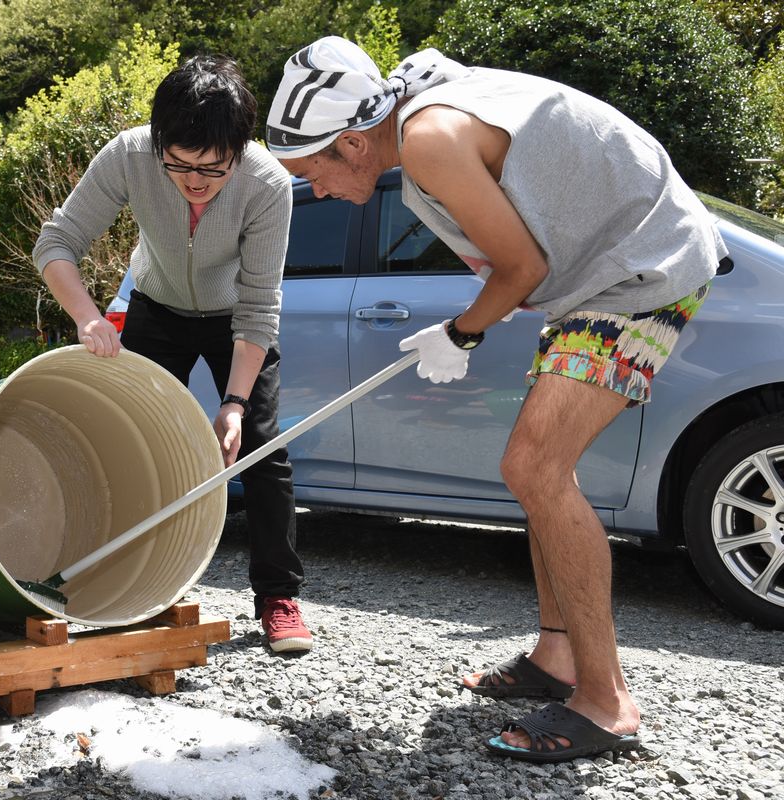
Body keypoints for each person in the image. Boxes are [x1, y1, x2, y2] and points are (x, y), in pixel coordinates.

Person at [267, 38, 725, 759]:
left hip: (642, 269)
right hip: (597, 277)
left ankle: (607, 702)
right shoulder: (417, 123)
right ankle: (557, 656)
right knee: (539, 471)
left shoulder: (425, 138)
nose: (315, 192)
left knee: (535, 468)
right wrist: (466, 326)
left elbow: (522, 265)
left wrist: (460, 332)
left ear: (354, 143)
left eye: (311, 173)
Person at [32, 55, 312, 653]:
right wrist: (87, 317)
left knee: (260, 447)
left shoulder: (266, 183)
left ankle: (279, 597)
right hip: (155, 308)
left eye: (211, 169)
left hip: (234, 316)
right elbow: (56, 242)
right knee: (127, 441)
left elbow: (261, 304)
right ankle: (120, 584)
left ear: (239, 148)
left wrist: (234, 401)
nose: (192, 180)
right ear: (160, 141)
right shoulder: (130, 155)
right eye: (178, 164)